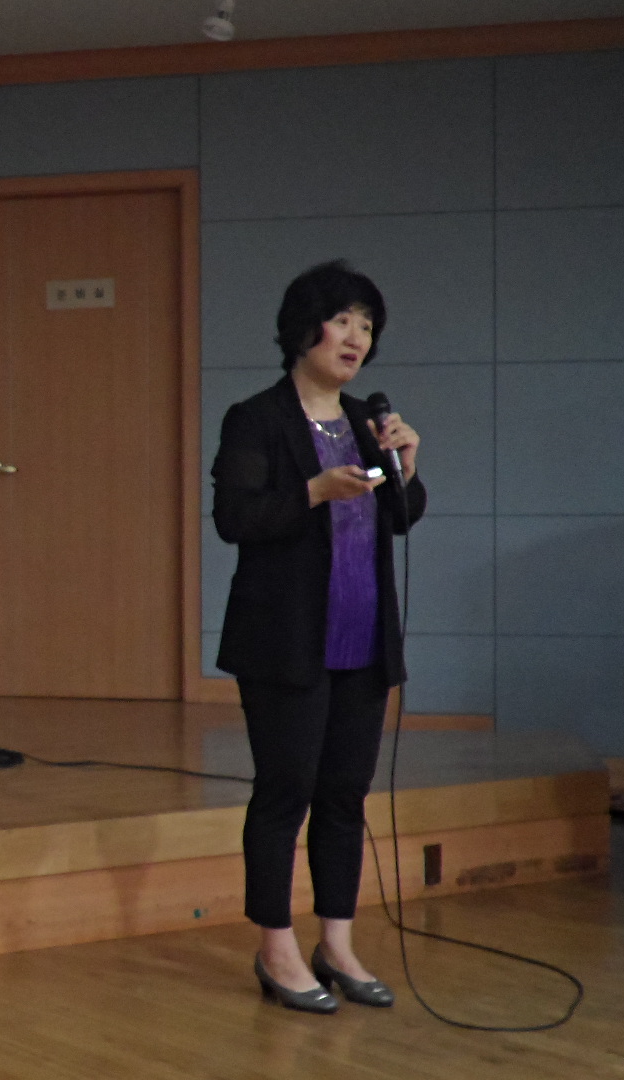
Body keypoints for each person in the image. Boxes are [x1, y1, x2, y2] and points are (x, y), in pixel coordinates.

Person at [210, 260, 425, 1014]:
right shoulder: (257, 418)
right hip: (286, 642)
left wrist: (405, 466)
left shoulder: (367, 420)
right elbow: (236, 518)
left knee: (344, 796)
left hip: (363, 641)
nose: (355, 338)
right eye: (342, 321)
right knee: (286, 793)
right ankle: (276, 948)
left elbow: (400, 516)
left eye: (366, 326)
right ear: (304, 329)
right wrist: (312, 491)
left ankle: (337, 943)